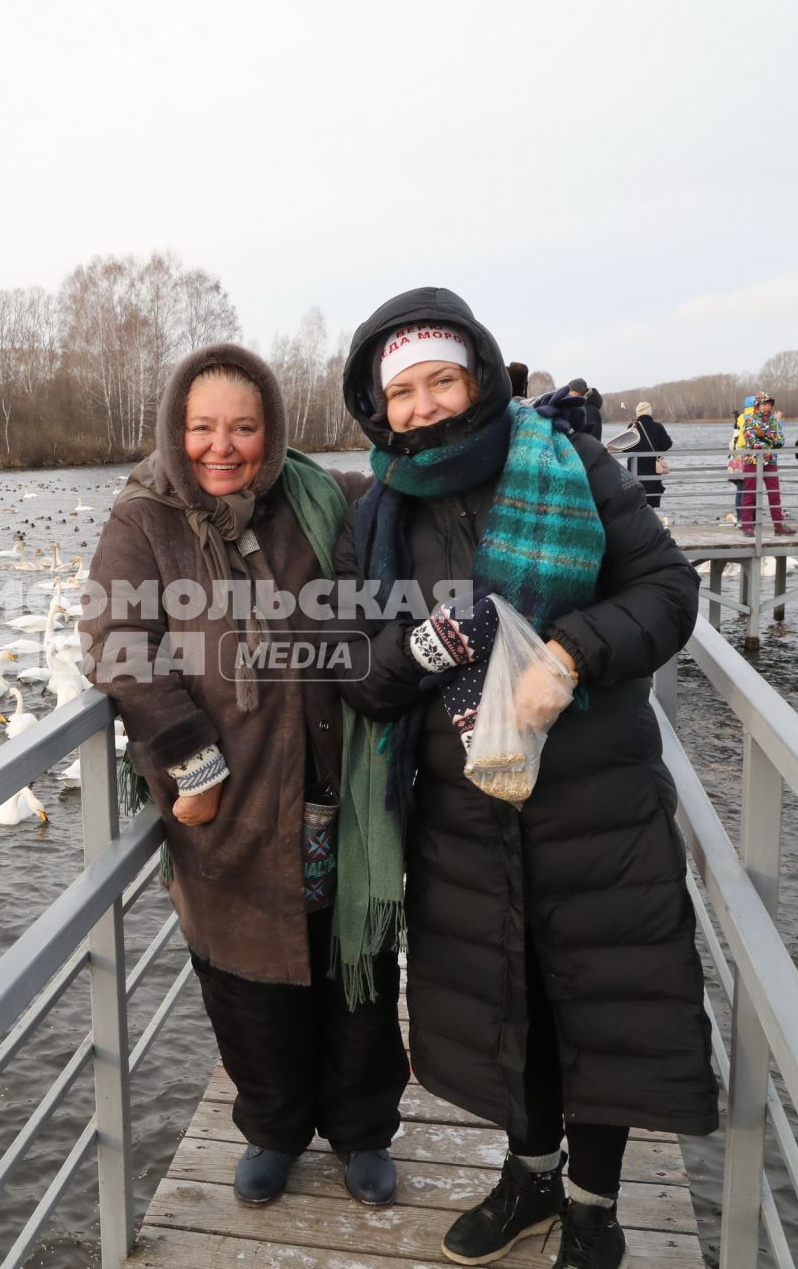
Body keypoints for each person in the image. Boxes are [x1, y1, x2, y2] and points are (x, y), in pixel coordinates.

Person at [335, 288, 716, 1269]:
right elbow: (363, 678)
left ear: (477, 375)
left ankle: (594, 1203)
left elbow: (668, 592)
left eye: (440, 380)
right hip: (464, 816)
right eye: (403, 391)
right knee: (514, 1004)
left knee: (604, 1002)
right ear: (380, 408)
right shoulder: (376, 514)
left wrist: (574, 652)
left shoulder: (570, 462)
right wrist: (424, 644)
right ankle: (532, 1172)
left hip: (596, 802)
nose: (423, 405)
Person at [80, 343, 405, 1210]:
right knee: (249, 979)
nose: (221, 447)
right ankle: (274, 1127)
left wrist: (513, 439)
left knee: (355, 964)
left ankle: (364, 1129)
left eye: (243, 428)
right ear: (175, 429)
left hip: (339, 789)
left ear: (272, 430)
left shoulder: (321, 495)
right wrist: (192, 758)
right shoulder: (144, 521)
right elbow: (118, 645)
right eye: (202, 428)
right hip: (230, 799)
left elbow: (422, 496)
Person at [731, 392, 795, 535]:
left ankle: (778, 526)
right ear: (757, 405)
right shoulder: (749, 421)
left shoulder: (773, 421)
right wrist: (769, 440)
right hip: (753, 461)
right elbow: (752, 442)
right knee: (750, 494)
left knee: (774, 494)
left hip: (770, 461)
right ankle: (747, 526)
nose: (767, 408)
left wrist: (765, 439)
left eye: (769, 405)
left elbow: (780, 441)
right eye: (764, 404)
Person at [626, 401, 674, 508]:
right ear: (649, 412)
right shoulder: (658, 427)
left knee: (636, 501)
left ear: (638, 413)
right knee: (651, 501)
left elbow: (626, 448)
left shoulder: (632, 427)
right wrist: (657, 449)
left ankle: (638, 523)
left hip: (635, 469)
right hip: (653, 468)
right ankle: (651, 521)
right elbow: (667, 444)